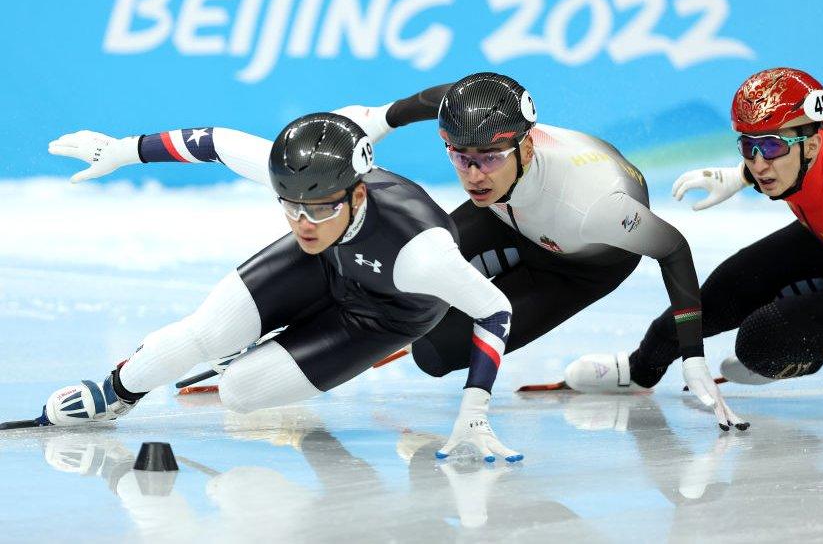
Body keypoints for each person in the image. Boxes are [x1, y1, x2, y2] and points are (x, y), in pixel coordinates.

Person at [40, 112, 523, 462]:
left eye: (318, 209)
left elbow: (494, 310)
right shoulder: (310, 206)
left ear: (359, 194)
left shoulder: (422, 254)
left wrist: (474, 411)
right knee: (207, 333)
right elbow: (214, 140)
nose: (303, 223)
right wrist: (121, 150)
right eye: (289, 206)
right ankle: (116, 391)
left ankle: (243, 358)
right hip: (324, 263)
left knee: (238, 392)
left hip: (382, 316)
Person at [334, 72, 747, 431]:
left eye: (490, 159)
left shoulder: (594, 207)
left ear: (526, 149)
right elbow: (446, 98)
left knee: (433, 353)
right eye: (461, 158)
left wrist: (693, 355)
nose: (474, 175)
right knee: (399, 267)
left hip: (577, 268)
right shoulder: (483, 131)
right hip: (507, 218)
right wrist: (381, 119)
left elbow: (673, 248)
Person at [587, 67, 823, 431]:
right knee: (720, 294)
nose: (759, 164)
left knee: (760, 344)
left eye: (770, 146)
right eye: (747, 146)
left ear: (812, 145)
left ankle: (813, 352)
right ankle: (640, 370)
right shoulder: (801, 154)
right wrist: (734, 178)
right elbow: (775, 163)